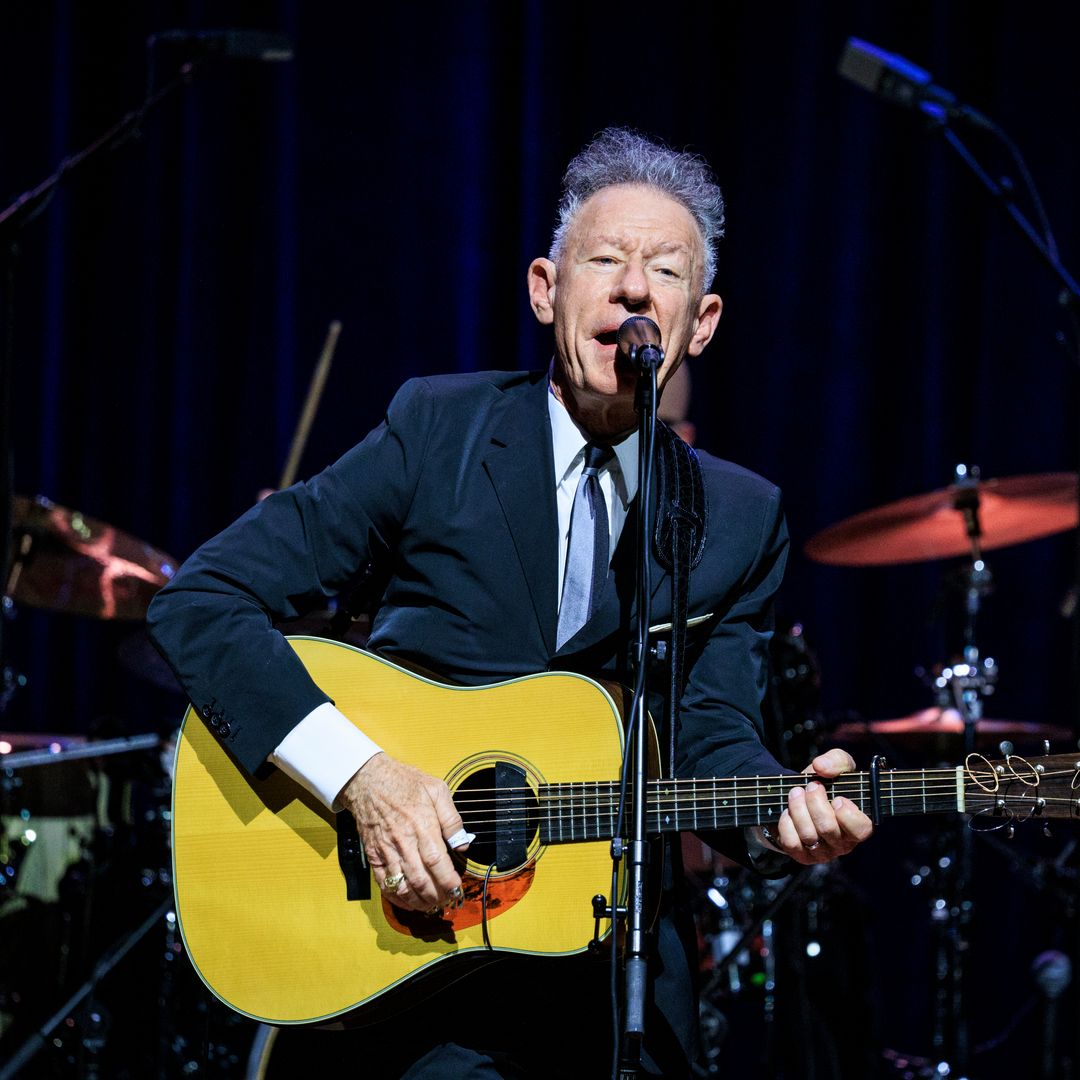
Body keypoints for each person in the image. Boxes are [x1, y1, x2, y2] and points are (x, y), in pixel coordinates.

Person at [147, 127, 872, 1079]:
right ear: (545, 289)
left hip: (606, 970)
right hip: (400, 955)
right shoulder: (435, 431)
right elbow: (200, 600)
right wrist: (361, 777)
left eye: (665, 270)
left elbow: (709, 733)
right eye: (604, 260)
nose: (631, 290)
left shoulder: (737, 516)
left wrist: (783, 819)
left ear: (700, 323)